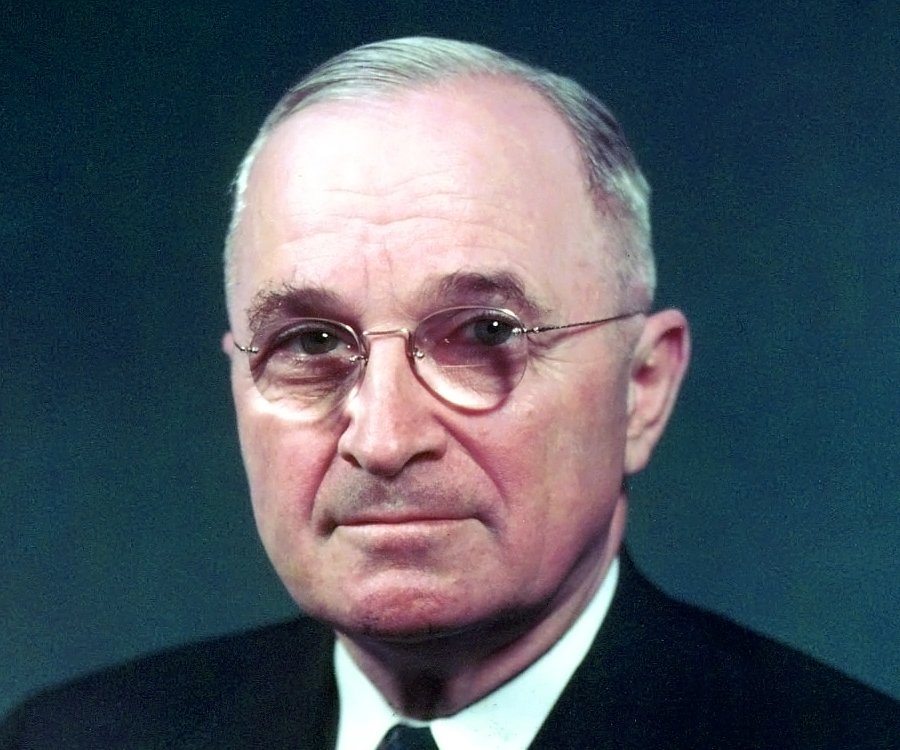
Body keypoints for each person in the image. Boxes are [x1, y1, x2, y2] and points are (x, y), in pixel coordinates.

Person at [2, 36, 897, 749]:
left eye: (483, 334)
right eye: (311, 343)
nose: (383, 439)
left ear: (643, 387)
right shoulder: (73, 739)